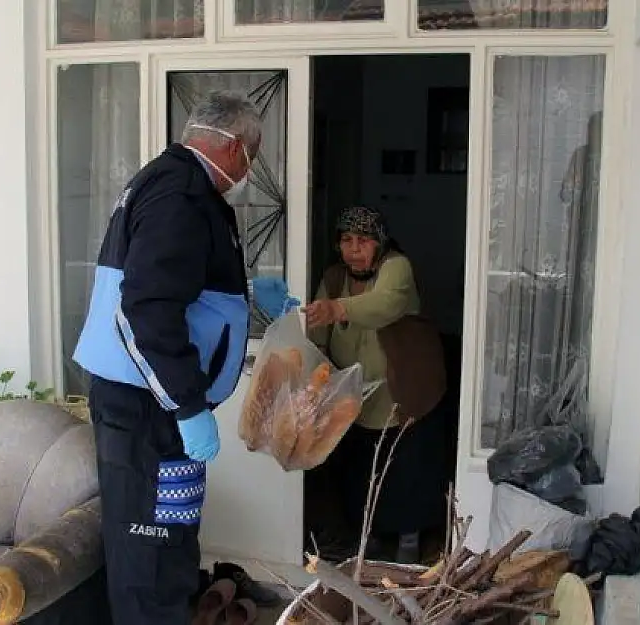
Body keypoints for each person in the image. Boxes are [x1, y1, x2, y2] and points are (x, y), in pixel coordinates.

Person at [73, 91, 293, 624]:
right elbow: (145, 307)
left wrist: (244, 291)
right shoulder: (180, 195)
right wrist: (188, 404)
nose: (250, 168)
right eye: (253, 154)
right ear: (236, 147)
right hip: (148, 410)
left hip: (156, 409)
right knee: (151, 559)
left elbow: (179, 280)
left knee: (171, 539)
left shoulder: (179, 185)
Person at [305, 205, 448, 564]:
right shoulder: (335, 277)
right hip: (356, 395)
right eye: (346, 240)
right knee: (359, 471)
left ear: (379, 242)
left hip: (403, 388)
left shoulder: (396, 266)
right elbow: (319, 329)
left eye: (364, 240)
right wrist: (318, 365)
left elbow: (384, 304)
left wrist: (337, 309)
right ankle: (366, 539)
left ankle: (409, 542)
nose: (354, 248)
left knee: (406, 469)